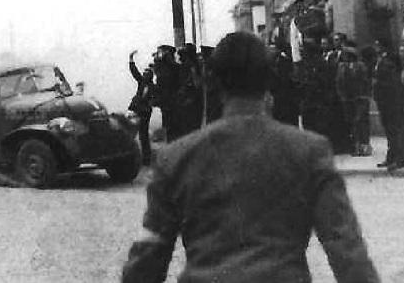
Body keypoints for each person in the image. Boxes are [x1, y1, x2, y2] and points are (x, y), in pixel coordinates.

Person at [121, 32, 380, 283]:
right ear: (268, 79)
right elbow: (346, 248)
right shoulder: (310, 151)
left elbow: (148, 257)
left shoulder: (176, 158)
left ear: (214, 81)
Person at [335, 44, 372, 156]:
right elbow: (338, 82)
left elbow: (365, 82)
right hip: (347, 99)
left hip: (360, 98)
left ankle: (364, 145)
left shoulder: (360, 66)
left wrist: (365, 95)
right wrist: (342, 95)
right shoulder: (341, 67)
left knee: (360, 121)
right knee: (351, 122)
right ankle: (355, 146)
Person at [373, 39, 403, 169]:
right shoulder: (382, 60)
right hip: (383, 100)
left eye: (378, 44)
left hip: (389, 100)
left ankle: (397, 159)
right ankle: (391, 157)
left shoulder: (388, 62)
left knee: (393, 130)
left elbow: (392, 81)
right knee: (390, 131)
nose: (376, 47)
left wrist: (378, 85)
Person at [129, 50, 156, 166]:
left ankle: (146, 158)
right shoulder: (142, 83)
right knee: (133, 132)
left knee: (143, 134)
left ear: (150, 76)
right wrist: (131, 60)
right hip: (137, 110)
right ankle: (135, 156)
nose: (144, 74)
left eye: (147, 73)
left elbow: (153, 100)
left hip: (144, 112)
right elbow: (134, 72)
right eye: (144, 72)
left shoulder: (152, 86)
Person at [152, 45, 181, 142]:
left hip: (171, 100)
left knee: (172, 126)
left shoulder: (171, 67)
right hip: (166, 100)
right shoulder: (164, 67)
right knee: (168, 125)